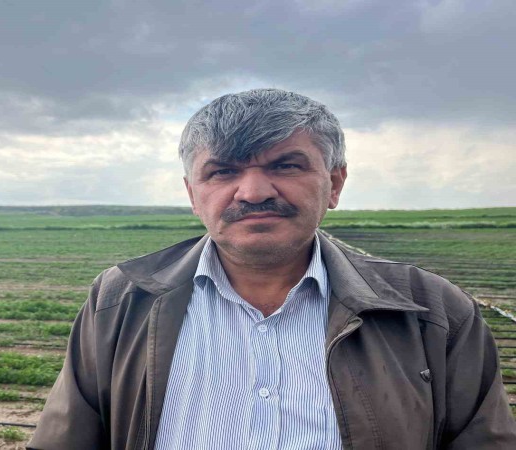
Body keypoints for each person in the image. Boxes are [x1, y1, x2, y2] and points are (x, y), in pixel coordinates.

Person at [27, 89, 516, 449]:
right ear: (193, 194)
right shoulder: (121, 299)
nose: (254, 192)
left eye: (286, 166)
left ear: (335, 183)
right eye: (223, 171)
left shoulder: (433, 311)